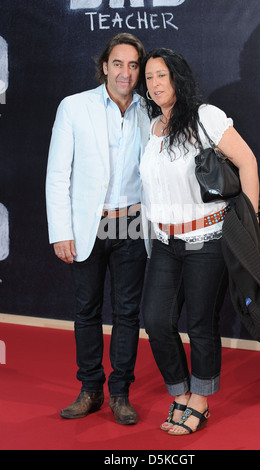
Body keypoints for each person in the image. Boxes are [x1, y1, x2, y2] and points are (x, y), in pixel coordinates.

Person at [139, 48, 259, 435]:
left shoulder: (205, 117)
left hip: (205, 240)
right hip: (164, 243)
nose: (155, 84)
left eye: (162, 75)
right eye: (149, 78)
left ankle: (201, 400)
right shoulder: (153, 127)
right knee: (156, 320)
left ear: (177, 77)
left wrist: (249, 221)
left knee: (201, 325)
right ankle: (180, 391)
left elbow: (247, 162)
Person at [45, 33, 149, 425]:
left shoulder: (150, 111)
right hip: (88, 225)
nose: (126, 72)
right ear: (105, 66)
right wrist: (61, 231)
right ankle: (90, 389)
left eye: (133, 65)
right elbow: (58, 175)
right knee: (86, 310)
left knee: (127, 313)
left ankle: (120, 393)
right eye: (118, 64)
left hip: (134, 226)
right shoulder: (74, 107)